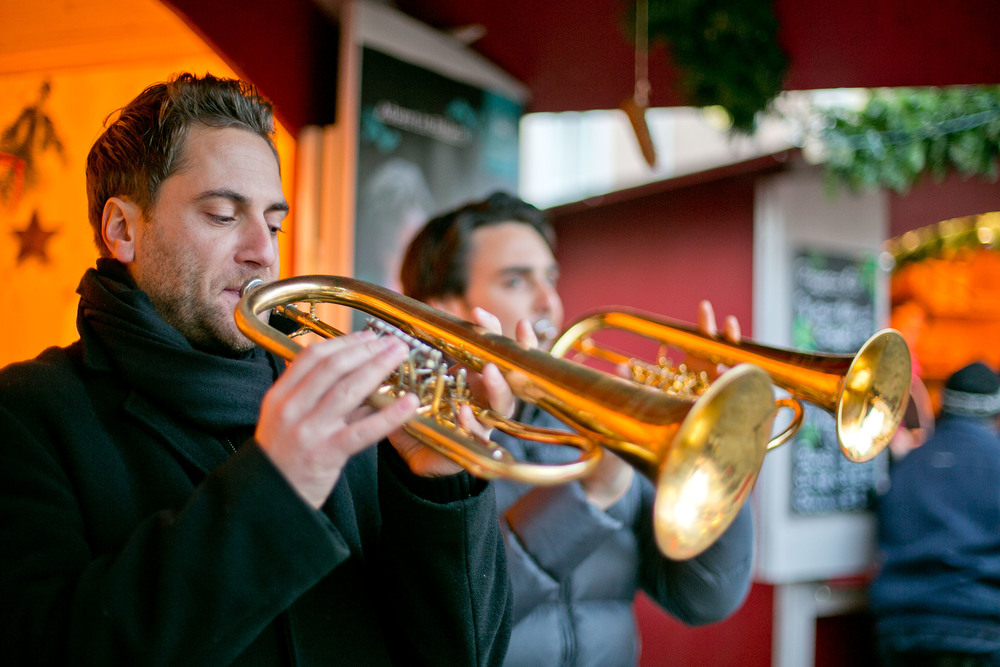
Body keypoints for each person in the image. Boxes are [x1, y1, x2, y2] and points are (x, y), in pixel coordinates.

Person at [0, 73, 514, 666]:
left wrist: (441, 487)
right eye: (222, 215)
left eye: (273, 224)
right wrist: (276, 488)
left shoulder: (345, 394)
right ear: (122, 230)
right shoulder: (26, 416)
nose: (262, 252)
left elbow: (465, 655)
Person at [400, 191, 755, 667]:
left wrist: (717, 449)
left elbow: (704, 597)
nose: (551, 302)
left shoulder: (596, 427)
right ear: (442, 308)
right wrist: (588, 496)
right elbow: (443, 630)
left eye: (550, 278)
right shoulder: (404, 444)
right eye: (516, 281)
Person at [870, 361, 1000, 667]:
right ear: (995, 414)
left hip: (902, 628)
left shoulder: (908, 464)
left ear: (944, 405)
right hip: (982, 627)